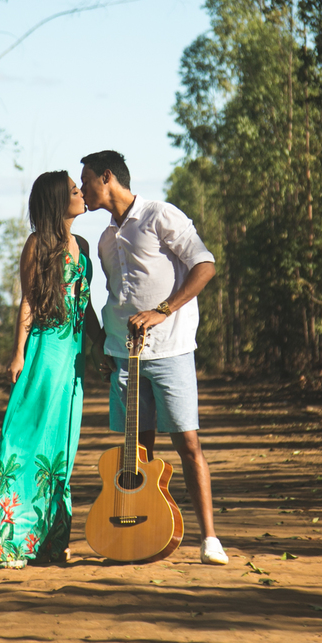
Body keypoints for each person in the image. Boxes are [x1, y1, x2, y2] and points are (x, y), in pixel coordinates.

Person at [79, 150, 229, 566]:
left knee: (187, 443)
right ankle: (140, 535)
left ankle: (210, 540)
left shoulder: (161, 215)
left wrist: (163, 309)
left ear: (107, 178)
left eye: (87, 179)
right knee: (137, 454)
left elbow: (205, 264)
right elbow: (116, 300)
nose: (83, 189)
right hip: (124, 359)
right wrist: (105, 346)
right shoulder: (106, 239)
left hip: (171, 351)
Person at [0, 171, 103, 568]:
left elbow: (85, 305)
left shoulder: (84, 245)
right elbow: (28, 301)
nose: (81, 193)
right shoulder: (38, 244)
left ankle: (50, 541)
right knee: (28, 440)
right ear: (58, 202)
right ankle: (7, 539)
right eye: (74, 190)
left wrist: (99, 344)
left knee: (61, 447)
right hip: (45, 351)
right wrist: (19, 352)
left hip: (72, 357)